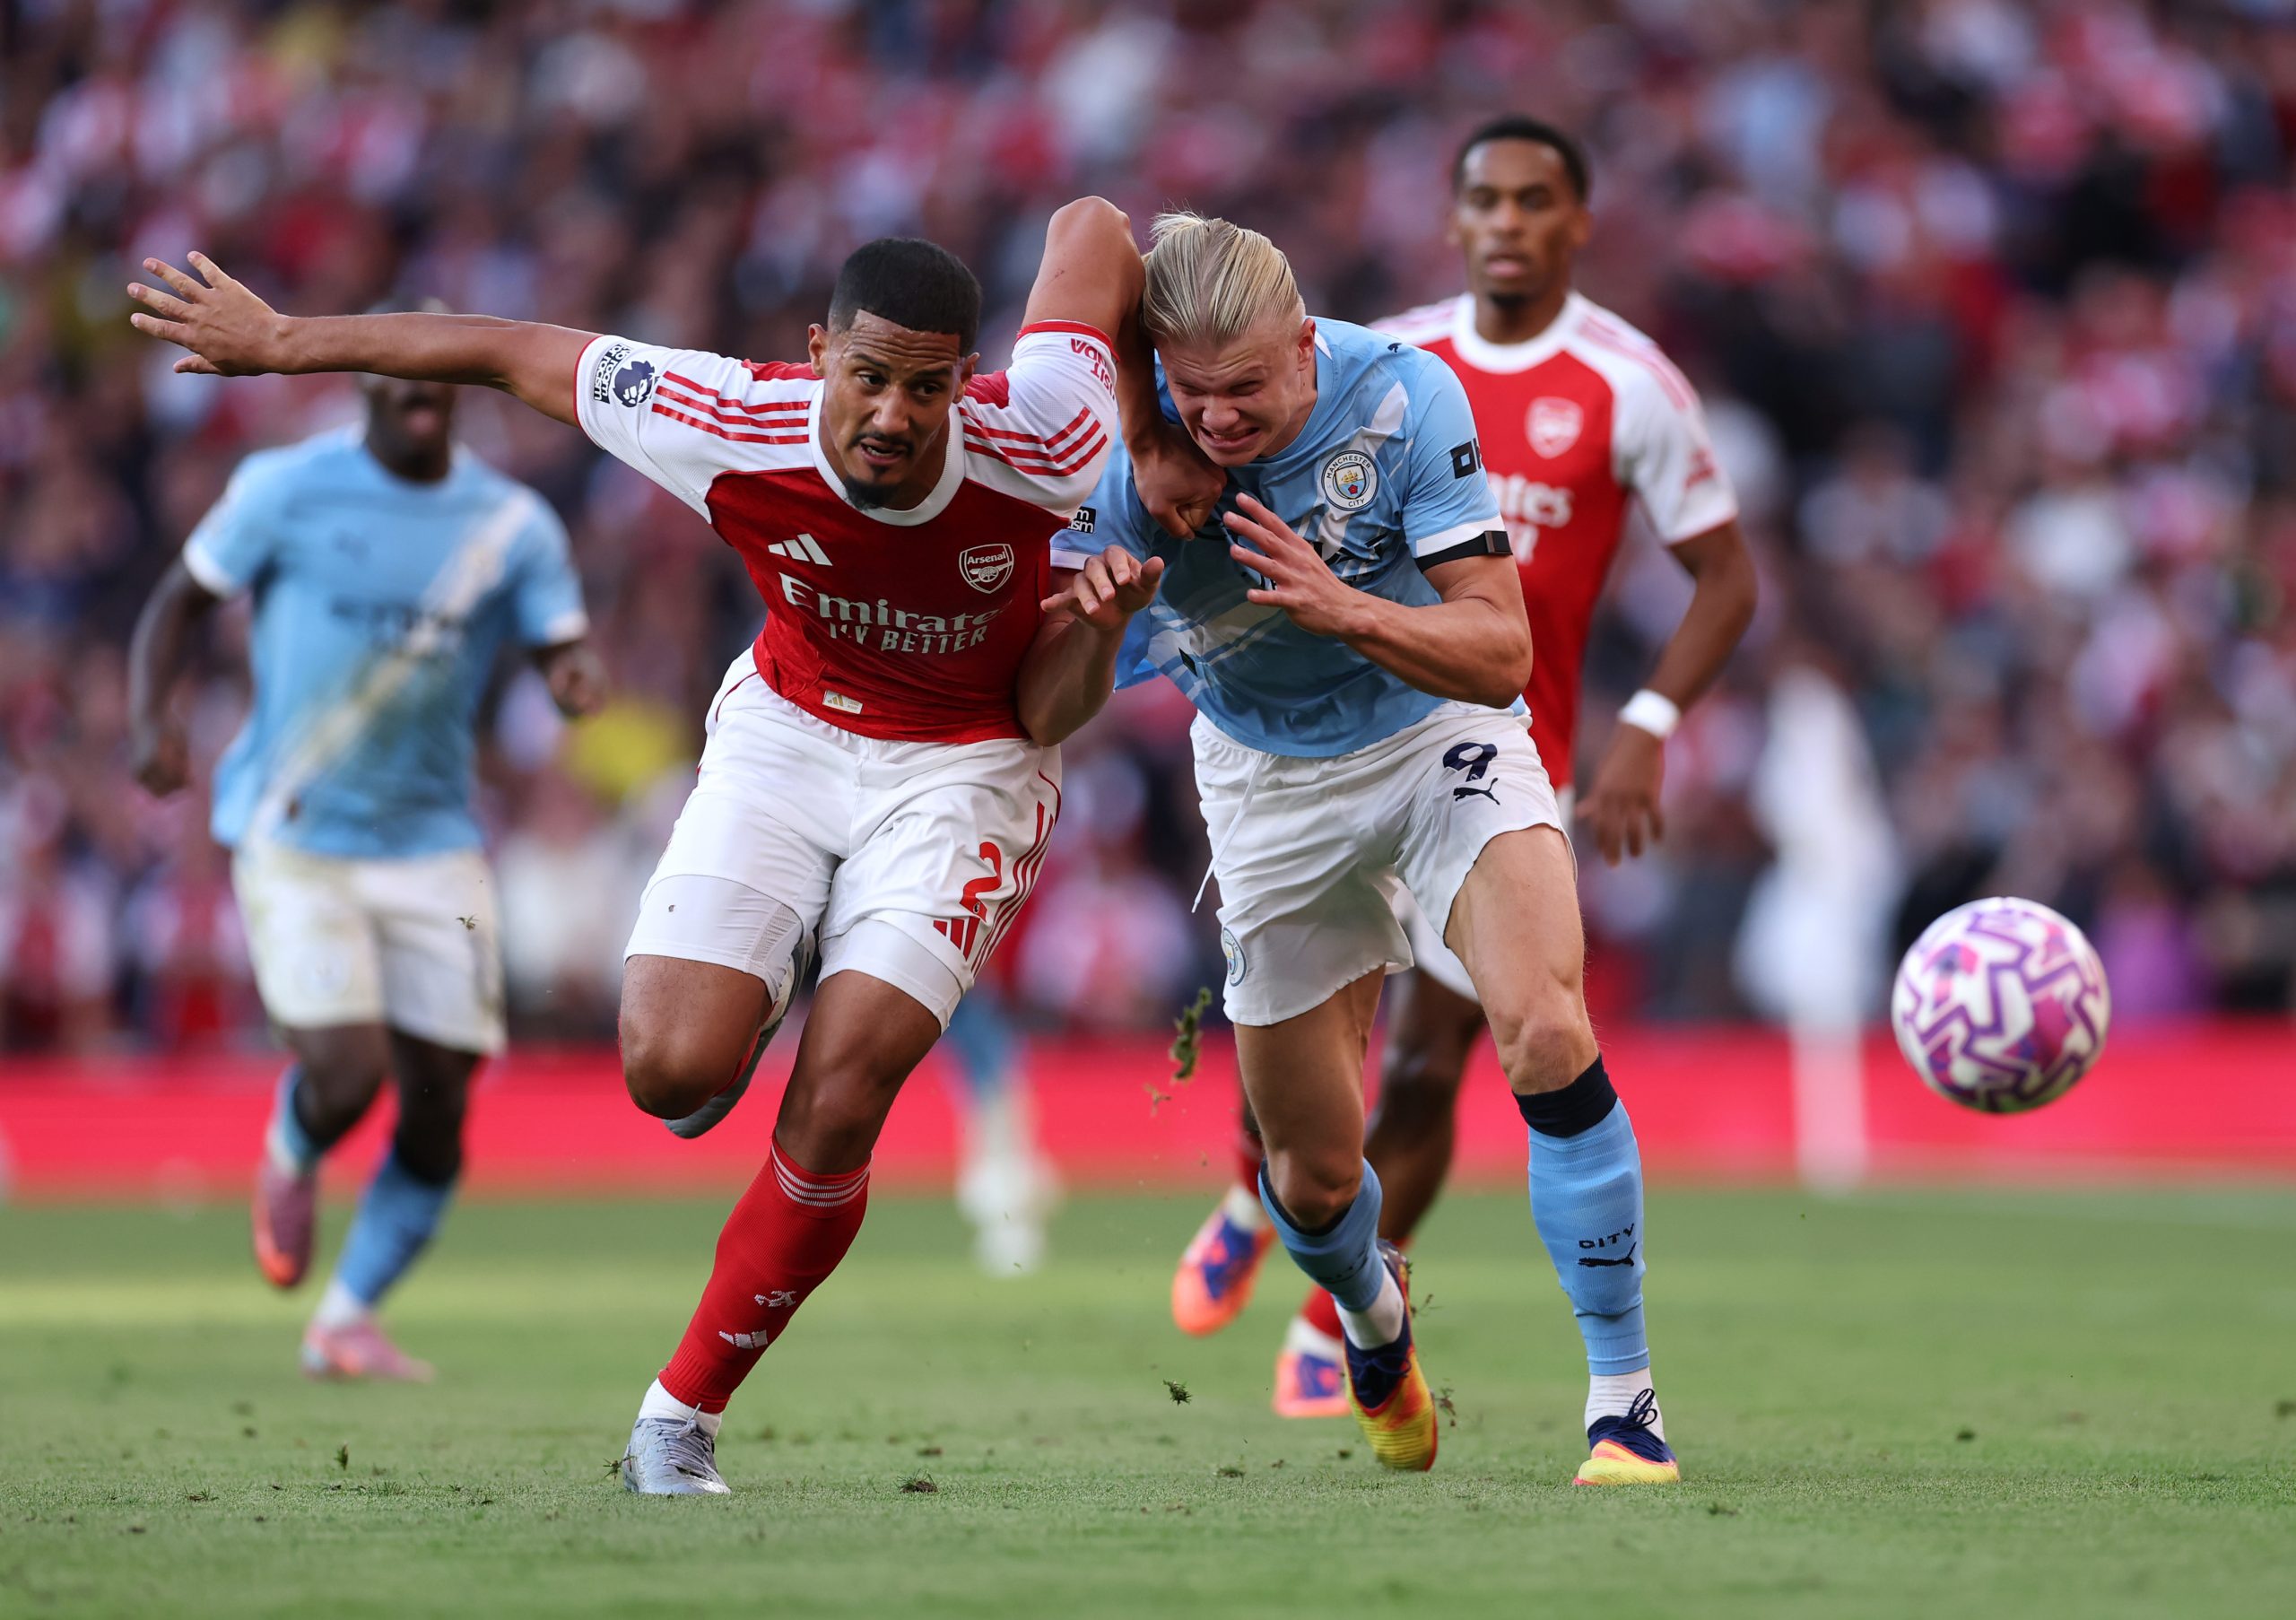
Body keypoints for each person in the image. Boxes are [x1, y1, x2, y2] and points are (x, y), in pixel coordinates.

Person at [130, 195, 1160, 1494]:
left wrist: (1148, 441)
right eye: (868, 376)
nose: (894, 413)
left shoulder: (1053, 433)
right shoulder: (724, 415)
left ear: (970, 382)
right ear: (816, 353)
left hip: (965, 769)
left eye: (927, 387)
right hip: (786, 732)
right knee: (671, 1074)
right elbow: (508, 347)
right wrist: (285, 341)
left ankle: (679, 1415)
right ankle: (766, 984)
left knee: (845, 1088)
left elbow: (1092, 227)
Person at [1171, 118, 1757, 1467]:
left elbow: (1722, 574)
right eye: (1482, 199)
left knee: (1515, 1040)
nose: (1505, 222)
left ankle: (1622, 1399)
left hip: (1471, 731)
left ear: (1577, 222)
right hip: (1278, 769)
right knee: (1310, 1142)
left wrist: (1649, 719)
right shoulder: (1363, 356)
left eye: (1533, 201)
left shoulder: (1628, 384)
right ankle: (1302, 1241)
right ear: (1451, 219)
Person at [126, 344, 604, 1380]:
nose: (418, 407)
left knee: (444, 1092)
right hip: (296, 831)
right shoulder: (288, 487)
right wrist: (149, 720)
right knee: (347, 1070)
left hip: (440, 850)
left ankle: (346, 1318)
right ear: (365, 390)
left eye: (435, 391)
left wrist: (569, 673)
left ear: (455, 397)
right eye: (398, 390)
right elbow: (180, 601)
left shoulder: (511, 524)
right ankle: (292, 1154)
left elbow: (557, 637)